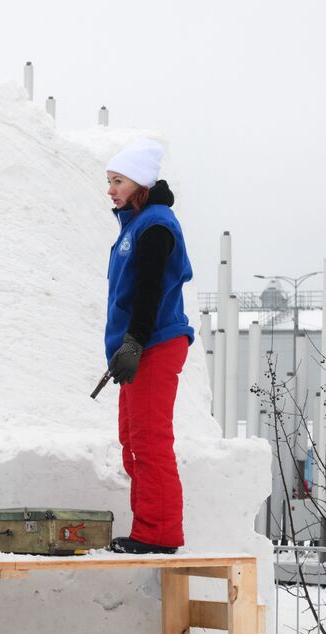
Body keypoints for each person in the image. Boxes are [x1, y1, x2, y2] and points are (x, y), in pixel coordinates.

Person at [103, 138, 194, 555]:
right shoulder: (137, 224)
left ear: (139, 182)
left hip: (154, 343)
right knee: (132, 439)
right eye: (109, 181)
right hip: (139, 346)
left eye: (118, 181)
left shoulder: (156, 224)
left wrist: (136, 341)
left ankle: (158, 533)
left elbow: (150, 287)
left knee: (149, 439)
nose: (111, 190)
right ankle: (148, 527)